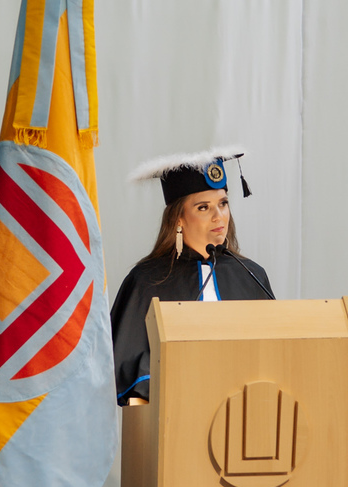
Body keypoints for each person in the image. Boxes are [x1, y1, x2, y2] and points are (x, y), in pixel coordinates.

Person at [110, 148, 273, 406]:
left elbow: (274, 355)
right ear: (179, 219)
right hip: (177, 416)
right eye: (203, 207)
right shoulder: (146, 280)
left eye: (223, 203)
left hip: (247, 416)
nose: (219, 216)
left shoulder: (251, 275)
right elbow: (128, 366)